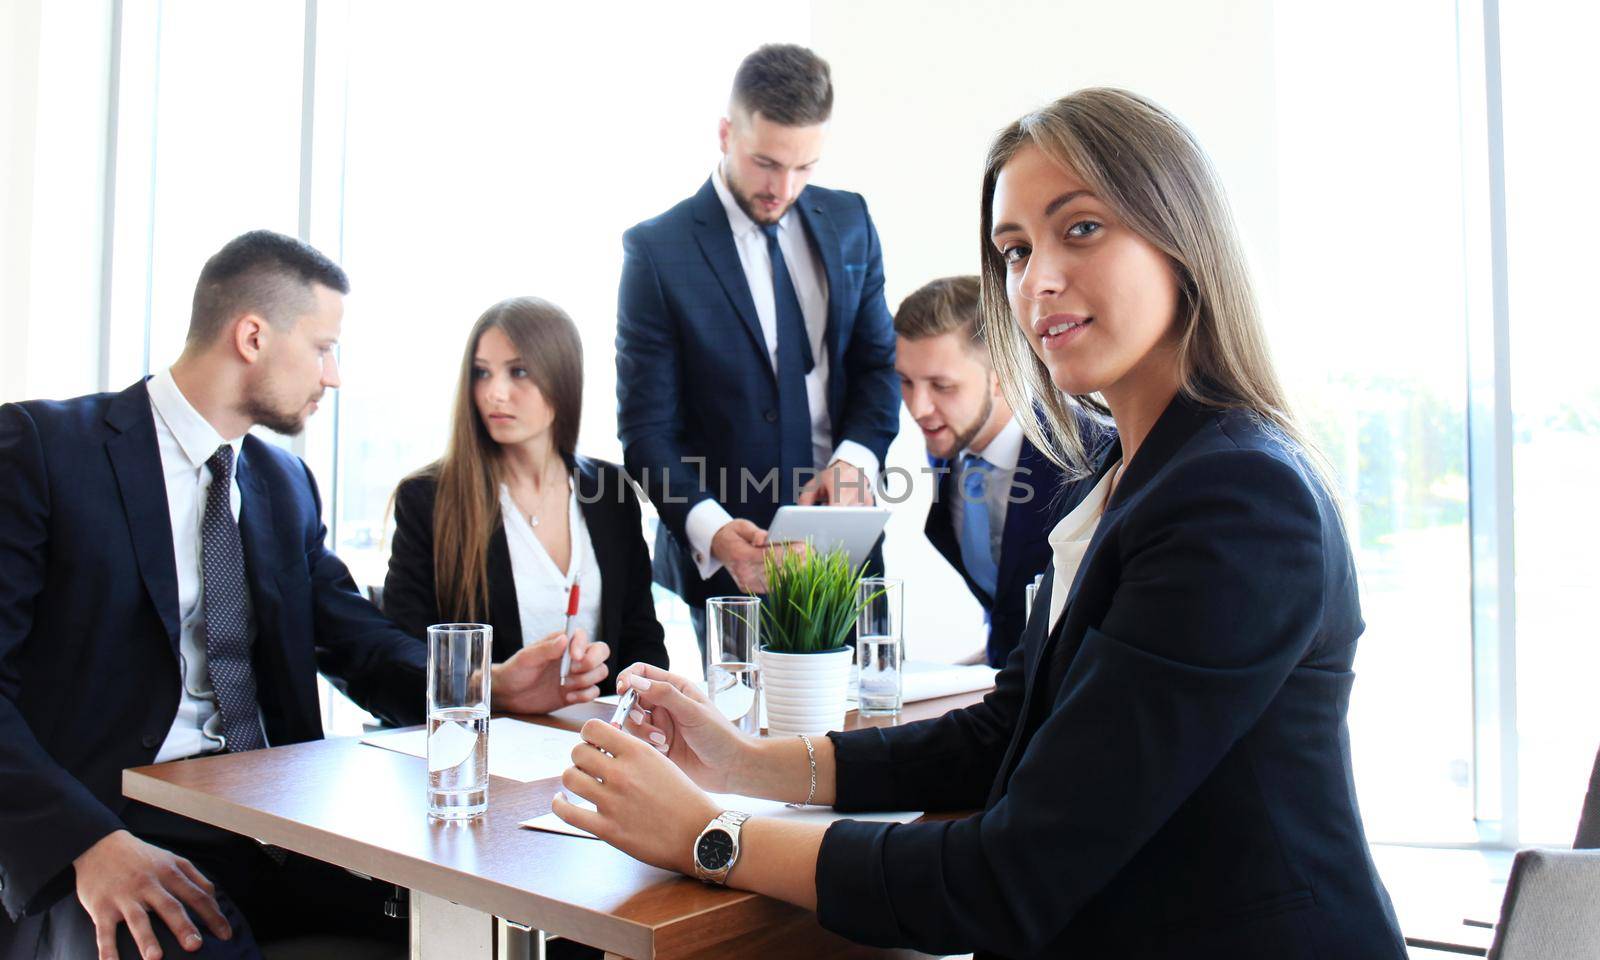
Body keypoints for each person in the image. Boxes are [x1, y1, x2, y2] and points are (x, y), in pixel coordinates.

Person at [553, 89, 1409, 959]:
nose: (1036, 281)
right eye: (1014, 249)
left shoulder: (1238, 504)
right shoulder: (1133, 474)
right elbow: (1009, 730)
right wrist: (743, 761)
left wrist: (714, 833)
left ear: (1182, 238)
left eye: (1080, 229)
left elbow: (1012, 874)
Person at [0, 231, 554, 960]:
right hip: (114, 826)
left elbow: (351, 636)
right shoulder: (43, 448)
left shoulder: (283, 484)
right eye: (323, 347)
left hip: (269, 825)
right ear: (253, 336)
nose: (334, 375)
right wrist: (89, 843)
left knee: (494, 924)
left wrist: (483, 684)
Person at [615, 43, 899, 646]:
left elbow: (877, 368)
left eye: (804, 168)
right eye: (766, 163)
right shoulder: (658, 252)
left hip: (845, 546)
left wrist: (855, 460)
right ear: (725, 133)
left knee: (865, 732)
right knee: (742, 735)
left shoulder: (851, 221)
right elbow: (646, 433)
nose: (783, 188)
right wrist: (712, 530)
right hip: (731, 559)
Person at [383, 297, 669, 701]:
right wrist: (492, 684)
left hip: (598, 740)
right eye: (482, 373)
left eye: (518, 372)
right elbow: (402, 655)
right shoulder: (428, 498)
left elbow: (644, 640)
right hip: (489, 743)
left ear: (562, 378)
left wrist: (620, 684)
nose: (494, 394)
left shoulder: (612, 491)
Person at [893, 275, 1080, 667]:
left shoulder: (1088, 457)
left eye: (942, 386)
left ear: (1004, 377)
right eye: (906, 382)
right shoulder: (949, 449)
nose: (918, 408)